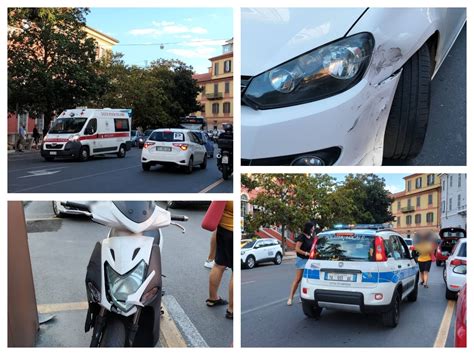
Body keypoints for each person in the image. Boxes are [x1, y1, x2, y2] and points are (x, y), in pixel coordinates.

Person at [202, 201, 233, 319]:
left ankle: (212, 298)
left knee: (218, 265)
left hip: (223, 229)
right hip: (234, 230)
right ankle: (232, 309)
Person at [287, 221, 315, 305]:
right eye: (312, 227)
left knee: (305, 279)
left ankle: (302, 297)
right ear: (309, 228)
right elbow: (297, 249)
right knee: (298, 279)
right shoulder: (301, 237)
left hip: (309, 261)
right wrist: (306, 253)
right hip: (301, 260)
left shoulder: (311, 237)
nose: (313, 229)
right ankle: (290, 298)